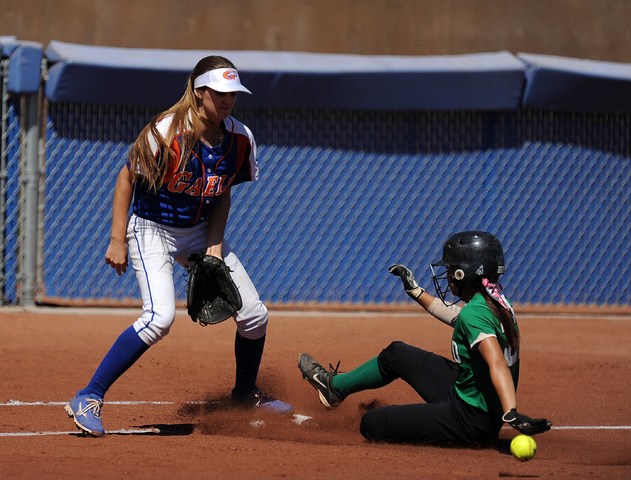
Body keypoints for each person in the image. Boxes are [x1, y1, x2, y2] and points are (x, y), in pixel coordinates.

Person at [65, 55, 292, 437]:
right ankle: (88, 396)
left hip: (199, 231)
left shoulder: (239, 139)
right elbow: (126, 179)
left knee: (254, 315)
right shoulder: (165, 132)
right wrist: (117, 239)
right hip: (152, 229)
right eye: (219, 93)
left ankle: (245, 393)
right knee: (159, 319)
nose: (227, 100)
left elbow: (222, 195)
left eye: (233, 93)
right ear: (199, 92)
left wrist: (215, 248)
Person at [298, 231, 551, 445]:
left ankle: (396, 422)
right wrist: (416, 291)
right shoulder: (496, 301)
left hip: (470, 420)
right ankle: (335, 388)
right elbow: (458, 317)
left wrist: (511, 411)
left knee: (371, 423)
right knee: (396, 353)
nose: (448, 276)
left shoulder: (476, 314)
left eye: (452, 269)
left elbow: (496, 362)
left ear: (465, 273)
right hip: (474, 397)